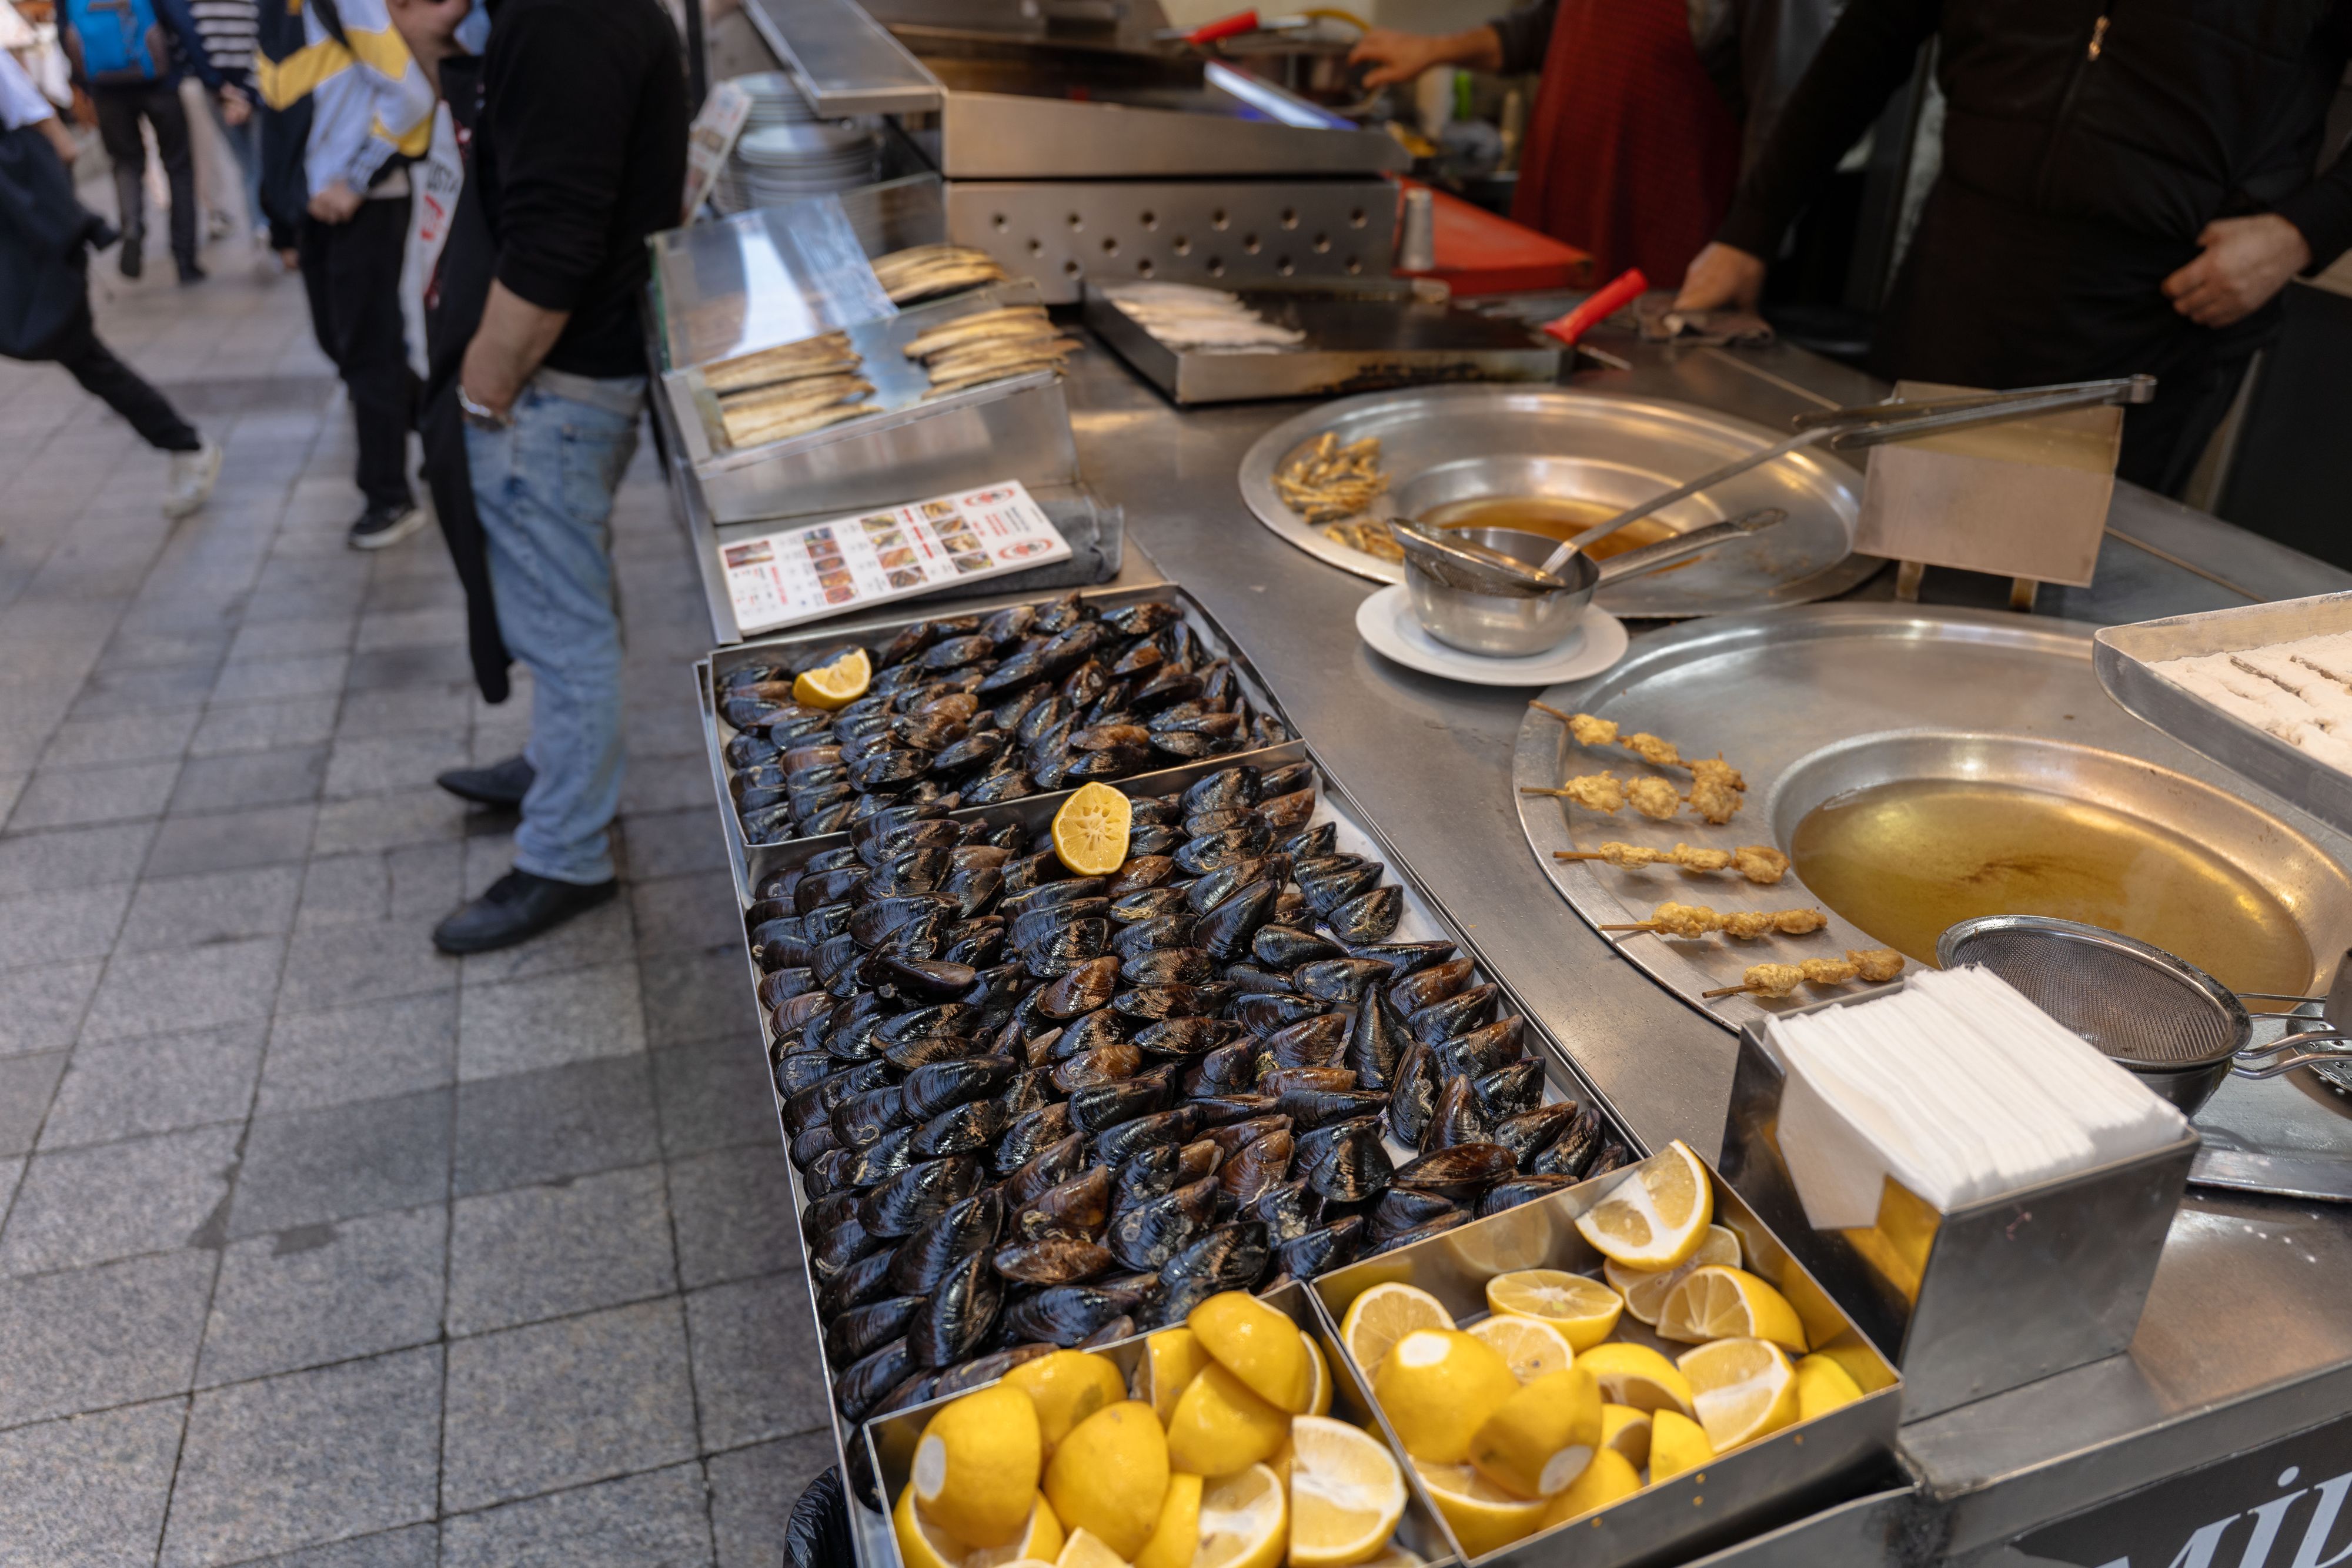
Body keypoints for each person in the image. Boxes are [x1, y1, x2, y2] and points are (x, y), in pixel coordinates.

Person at [1673, 0, 2352, 497]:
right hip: (1960, 278)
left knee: (2069, 607)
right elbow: (1869, 39)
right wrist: (1750, 230)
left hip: (2162, 314)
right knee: (1884, 541)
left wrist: (2300, 233)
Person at [425, 0, 686, 954]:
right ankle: (557, 768)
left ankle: (566, 853)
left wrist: (483, 395)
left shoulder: (563, 15)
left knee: (564, 623)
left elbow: (555, 240)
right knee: (563, 597)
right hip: (579, 373)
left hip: (556, 383)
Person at [1347, 0, 1838, 285]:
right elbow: (1545, 28)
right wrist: (1434, 51)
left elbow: (1792, 108)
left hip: (1660, 271)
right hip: (1554, 245)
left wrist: (1749, 244)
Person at [0, 46, 222, 516]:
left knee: (82, 353)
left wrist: (54, 221)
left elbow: (52, 134)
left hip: (23, 241)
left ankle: (187, 446)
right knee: (85, 356)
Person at [272, 0, 436, 549]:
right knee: (343, 342)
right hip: (316, 206)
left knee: (368, 348)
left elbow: (412, 95)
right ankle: (445, 435)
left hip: (363, 202)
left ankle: (388, 494)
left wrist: (357, 179)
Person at [58, 0, 228, 282]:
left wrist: (86, 82)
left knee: (125, 162)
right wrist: (209, 77)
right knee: (178, 167)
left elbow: (64, 32)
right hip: (160, 82)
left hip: (105, 87)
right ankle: (185, 259)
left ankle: (132, 228)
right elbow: (183, 22)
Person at [188, 0, 260, 240]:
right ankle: (264, 231)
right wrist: (248, 93)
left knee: (246, 165)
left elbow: (188, 41)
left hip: (219, 91)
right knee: (257, 164)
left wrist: (219, 86)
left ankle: (260, 231)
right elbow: (267, 34)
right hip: (253, 86)